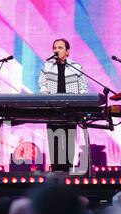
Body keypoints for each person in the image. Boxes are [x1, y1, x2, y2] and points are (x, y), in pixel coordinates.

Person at [39, 38, 88, 172]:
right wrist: (46, 97)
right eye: (55, 48)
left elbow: (83, 88)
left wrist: (80, 103)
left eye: (60, 48)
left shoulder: (76, 67)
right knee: (54, 144)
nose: (56, 50)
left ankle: (66, 173)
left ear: (67, 52)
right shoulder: (47, 66)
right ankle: (55, 172)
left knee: (68, 144)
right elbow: (42, 86)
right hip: (53, 110)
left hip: (70, 111)